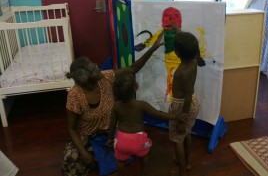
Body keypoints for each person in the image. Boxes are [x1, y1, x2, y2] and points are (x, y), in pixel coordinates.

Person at [61, 33, 164, 176]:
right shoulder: (74, 95)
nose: (98, 68)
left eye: (95, 65)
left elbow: (133, 69)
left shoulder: (106, 77)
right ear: (84, 78)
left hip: (109, 132)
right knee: (71, 165)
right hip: (87, 136)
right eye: (93, 69)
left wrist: (152, 49)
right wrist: (83, 152)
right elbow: (72, 129)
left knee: (129, 149)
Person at [106, 71, 187, 176]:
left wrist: (110, 139)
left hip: (121, 140)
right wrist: (176, 116)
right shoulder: (141, 105)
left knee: (121, 161)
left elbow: (112, 125)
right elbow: (159, 115)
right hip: (138, 140)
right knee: (144, 157)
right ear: (135, 87)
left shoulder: (116, 106)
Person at [169, 29, 200, 176]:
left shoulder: (182, 72)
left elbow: (186, 96)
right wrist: (179, 30)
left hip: (182, 106)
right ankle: (187, 163)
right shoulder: (194, 62)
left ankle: (182, 172)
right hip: (192, 102)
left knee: (177, 138)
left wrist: (183, 117)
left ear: (176, 52)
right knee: (187, 132)